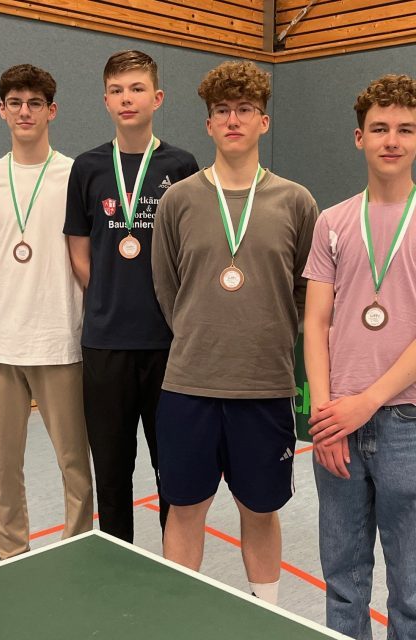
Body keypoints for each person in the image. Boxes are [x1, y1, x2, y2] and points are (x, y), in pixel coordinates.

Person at [151, 60, 318, 604]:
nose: (233, 119)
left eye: (245, 109)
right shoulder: (179, 200)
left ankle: (266, 616)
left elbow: (306, 290)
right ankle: (180, 616)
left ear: (263, 122)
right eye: (222, 110)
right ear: (208, 125)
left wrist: (266, 333)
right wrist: (201, 332)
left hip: (264, 386)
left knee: (260, 510)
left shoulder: (296, 201)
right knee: (184, 508)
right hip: (189, 384)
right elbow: (167, 287)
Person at [63, 50, 198, 544]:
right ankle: (118, 563)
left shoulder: (181, 165)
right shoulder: (88, 167)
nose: (127, 98)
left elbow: (192, 251)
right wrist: (108, 295)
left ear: (157, 98)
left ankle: (175, 565)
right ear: (105, 100)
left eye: (137, 89)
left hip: (169, 345)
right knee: (112, 473)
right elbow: (79, 251)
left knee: (173, 469)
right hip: (105, 343)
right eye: (117, 90)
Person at [304, 73, 416, 639]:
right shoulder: (333, 221)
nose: (391, 140)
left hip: (407, 425)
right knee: (343, 582)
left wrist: (367, 402)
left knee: (412, 589)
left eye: (405, 129)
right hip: (338, 424)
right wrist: (325, 415)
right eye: (379, 128)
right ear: (359, 137)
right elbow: (315, 321)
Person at [0, 64, 93, 559]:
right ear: (2, 110)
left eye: (35, 103)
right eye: (16, 102)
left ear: (51, 111)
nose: (25, 111)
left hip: (59, 338)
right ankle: (10, 554)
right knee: (4, 465)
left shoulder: (75, 175)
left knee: (73, 462)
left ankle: (78, 547)